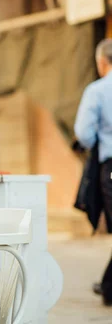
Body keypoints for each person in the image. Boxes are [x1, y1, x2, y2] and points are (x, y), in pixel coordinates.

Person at [74, 38, 112, 305]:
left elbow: (84, 134)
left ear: (102, 62)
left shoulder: (98, 91)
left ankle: (109, 287)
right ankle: (109, 286)